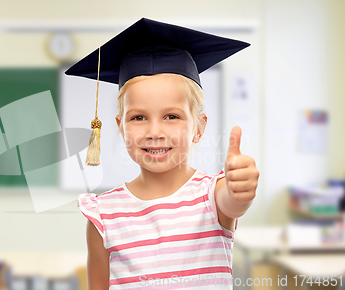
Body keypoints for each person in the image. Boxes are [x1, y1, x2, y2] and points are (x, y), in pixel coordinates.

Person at [65, 18, 259, 290]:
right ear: (121, 127)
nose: (154, 131)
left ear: (199, 127)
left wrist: (240, 189)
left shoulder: (212, 196)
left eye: (171, 116)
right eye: (139, 117)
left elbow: (233, 202)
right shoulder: (103, 214)